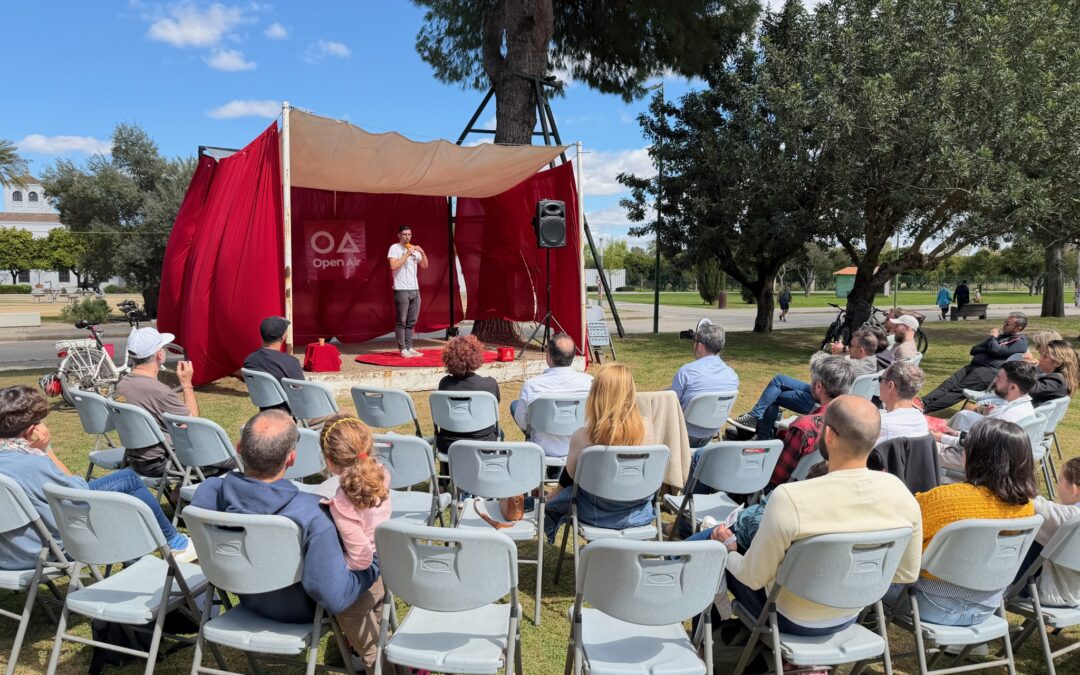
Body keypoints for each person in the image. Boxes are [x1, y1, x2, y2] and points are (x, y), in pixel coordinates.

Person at [707, 396, 922, 637]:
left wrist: (726, 548)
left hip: (788, 616)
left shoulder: (790, 498)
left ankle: (709, 645)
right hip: (850, 615)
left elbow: (753, 577)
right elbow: (907, 573)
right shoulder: (902, 494)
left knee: (713, 554)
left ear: (828, 435)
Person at [190, 409, 385, 668]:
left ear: (238, 447)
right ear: (291, 458)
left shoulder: (206, 495)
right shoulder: (314, 514)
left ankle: (354, 652)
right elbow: (334, 595)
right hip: (302, 612)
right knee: (371, 571)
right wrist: (374, 564)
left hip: (245, 598)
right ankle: (374, 654)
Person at [0, 385, 196, 567]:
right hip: (46, 550)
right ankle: (174, 542)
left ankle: (157, 550)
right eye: (39, 421)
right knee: (129, 480)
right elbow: (79, 494)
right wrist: (46, 451)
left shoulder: (12, 458)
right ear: (31, 430)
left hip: (9, 554)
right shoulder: (32, 463)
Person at [891, 418, 1036, 626]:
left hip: (928, 602)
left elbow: (901, 544)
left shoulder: (943, 499)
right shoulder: (1026, 507)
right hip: (987, 605)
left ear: (976, 455)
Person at [543, 364, 656, 542]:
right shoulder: (646, 429)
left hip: (594, 514)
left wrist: (552, 495)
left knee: (568, 490)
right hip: (637, 512)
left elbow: (571, 477)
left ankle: (548, 505)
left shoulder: (582, 437)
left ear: (596, 395)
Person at [114, 326, 225, 478]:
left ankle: (180, 491)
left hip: (137, 459)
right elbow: (191, 424)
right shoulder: (159, 391)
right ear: (159, 354)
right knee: (231, 459)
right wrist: (187, 384)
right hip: (165, 461)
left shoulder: (122, 386)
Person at [732, 331, 873, 441]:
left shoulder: (855, 366)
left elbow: (824, 368)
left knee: (774, 395)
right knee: (779, 381)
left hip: (826, 397)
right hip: (831, 394)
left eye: (851, 346)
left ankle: (760, 430)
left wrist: (842, 350)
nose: (848, 348)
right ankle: (758, 425)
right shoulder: (870, 362)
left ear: (861, 350)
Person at [767, 356, 857, 489]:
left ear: (819, 386)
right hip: (829, 488)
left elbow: (777, 476)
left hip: (790, 491)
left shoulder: (804, 427)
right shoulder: (856, 419)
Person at [318, 415, 392, 572]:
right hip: (385, 548)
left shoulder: (342, 505)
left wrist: (331, 563)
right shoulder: (381, 474)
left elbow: (361, 560)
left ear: (329, 462)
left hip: (366, 564)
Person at [934, 361, 1037, 470]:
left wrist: (943, 438)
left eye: (999, 378)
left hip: (981, 464)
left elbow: (979, 446)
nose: (995, 381)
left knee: (924, 446)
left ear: (1013, 387)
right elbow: (982, 440)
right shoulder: (1024, 405)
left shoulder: (1007, 418)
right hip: (991, 459)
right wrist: (955, 433)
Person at [921, 312, 1028, 413]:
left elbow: (996, 350)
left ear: (1018, 328)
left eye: (1008, 323)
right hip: (973, 366)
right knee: (949, 383)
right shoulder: (1001, 337)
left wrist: (992, 338)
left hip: (988, 372)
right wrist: (990, 346)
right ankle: (923, 402)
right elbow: (974, 350)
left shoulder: (1019, 341)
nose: (1004, 325)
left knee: (958, 391)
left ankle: (926, 409)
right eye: (1005, 321)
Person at [511, 333, 593, 460]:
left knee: (515, 405)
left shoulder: (532, 385)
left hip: (543, 445)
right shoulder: (589, 382)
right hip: (578, 444)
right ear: (573, 357)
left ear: (548, 357)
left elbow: (523, 423)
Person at [669, 320, 739, 446]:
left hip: (684, 436)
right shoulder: (732, 376)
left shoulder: (686, 372)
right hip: (710, 435)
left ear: (700, 346)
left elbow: (671, 405)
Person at [1026, 458, 1080, 607]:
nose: (1057, 486)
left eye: (1060, 481)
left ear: (1074, 488)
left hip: (1052, 592)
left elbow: (1028, 502)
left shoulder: (1069, 517)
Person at [436, 334, 500, 452]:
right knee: (500, 432)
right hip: (484, 443)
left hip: (449, 444)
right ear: (476, 357)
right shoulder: (489, 385)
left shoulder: (444, 385)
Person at [387, 225, 429, 358]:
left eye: (409, 234)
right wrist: (406, 254)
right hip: (401, 290)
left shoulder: (414, 250)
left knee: (412, 320)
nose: (407, 237)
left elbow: (425, 265)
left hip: (415, 289)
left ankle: (409, 347)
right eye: (404, 234)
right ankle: (402, 349)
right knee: (402, 321)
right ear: (399, 235)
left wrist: (422, 252)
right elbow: (393, 266)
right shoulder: (395, 248)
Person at [877, 361, 930, 443]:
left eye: (880, 379)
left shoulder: (883, 425)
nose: (879, 383)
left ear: (890, 386)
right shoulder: (920, 419)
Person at [243, 315, 304, 383]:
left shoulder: (250, 360)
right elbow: (301, 390)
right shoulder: (291, 362)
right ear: (283, 336)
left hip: (258, 393)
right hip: (283, 394)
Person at [1031, 339, 1079, 405]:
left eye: (1045, 356)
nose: (1040, 359)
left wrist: (1024, 367)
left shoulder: (1057, 381)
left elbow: (1026, 390)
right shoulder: (1060, 379)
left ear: (1057, 362)